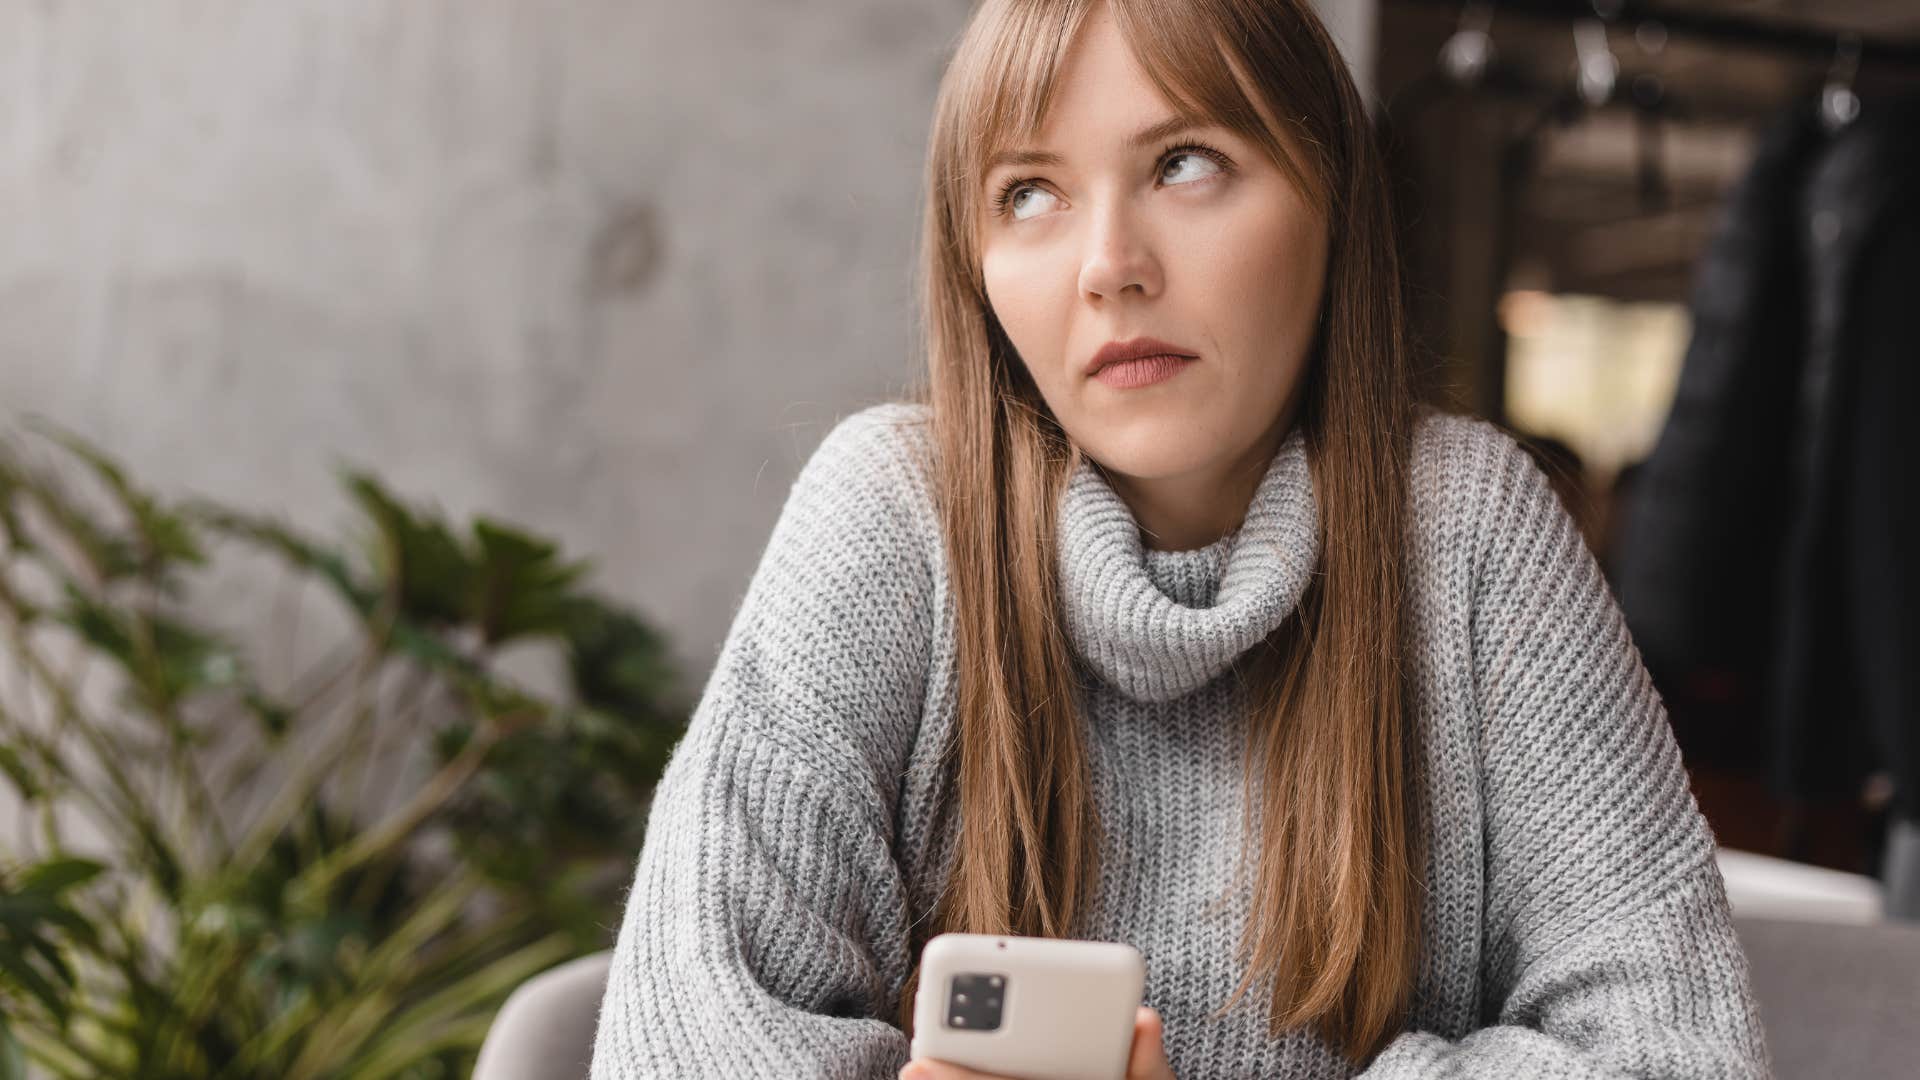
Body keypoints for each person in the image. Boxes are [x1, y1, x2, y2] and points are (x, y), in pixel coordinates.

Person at [587, 1, 1772, 1077]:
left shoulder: (1465, 532)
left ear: (1329, 197)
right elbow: (673, 1045)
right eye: (1029, 193)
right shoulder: (897, 513)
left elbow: (1683, 1058)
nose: (1110, 267)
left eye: (1186, 163)